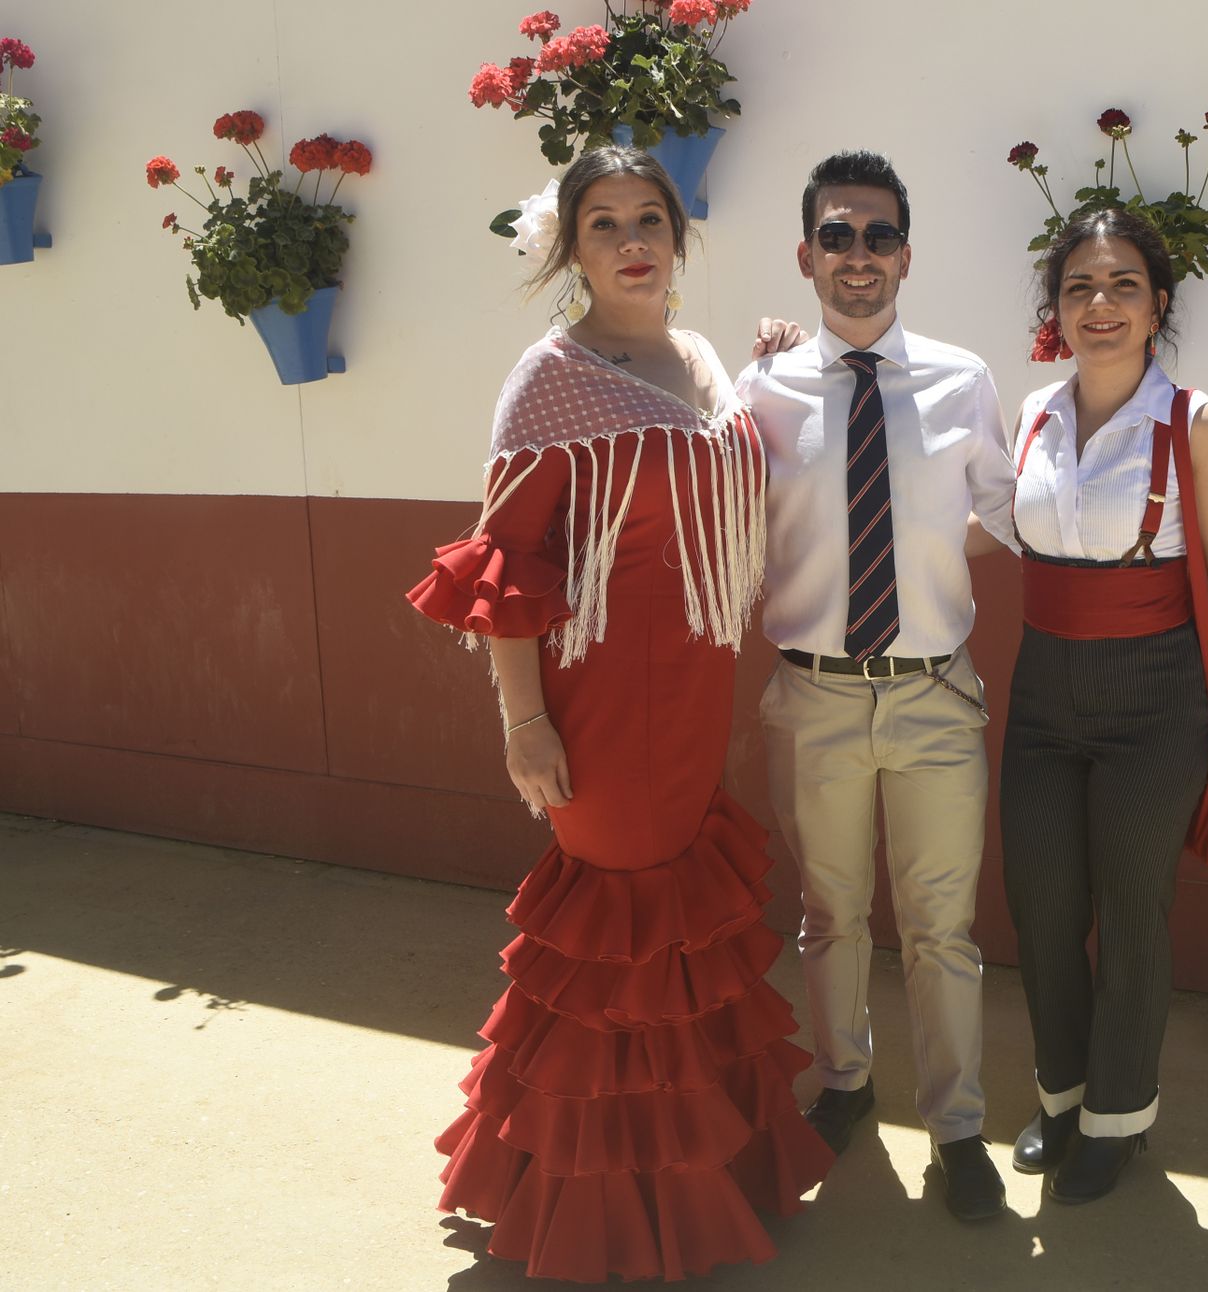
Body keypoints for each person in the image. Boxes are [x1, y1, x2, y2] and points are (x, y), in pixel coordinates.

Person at [406, 146, 832, 1283]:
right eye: (604, 223)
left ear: (680, 236)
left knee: (676, 925)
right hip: (599, 706)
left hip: (693, 694)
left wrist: (761, 369)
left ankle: (699, 1175)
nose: (633, 238)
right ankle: (612, 1208)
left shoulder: (695, 358)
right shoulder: (550, 377)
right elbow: (504, 562)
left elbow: (705, 459)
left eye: (652, 216)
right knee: (626, 937)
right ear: (569, 248)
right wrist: (523, 721)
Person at [737, 150, 1018, 1222]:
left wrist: (932, 561)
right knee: (830, 908)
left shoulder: (962, 377)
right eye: (839, 236)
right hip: (810, 694)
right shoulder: (758, 387)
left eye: (880, 235)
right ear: (806, 254)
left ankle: (956, 1124)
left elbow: (1000, 505)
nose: (861, 256)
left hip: (933, 694)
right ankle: (846, 1080)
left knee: (944, 924)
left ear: (907, 253)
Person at [1001, 208, 1208, 1203]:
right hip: (1041, 688)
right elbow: (976, 523)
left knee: (1133, 911)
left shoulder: (1194, 422)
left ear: (1157, 304)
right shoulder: (1030, 414)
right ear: (1054, 309)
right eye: (1077, 287)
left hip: (1154, 694)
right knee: (1042, 905)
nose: (1097, 304)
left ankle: (1116, 1116)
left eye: (1120, 286)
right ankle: (1060, 1095)